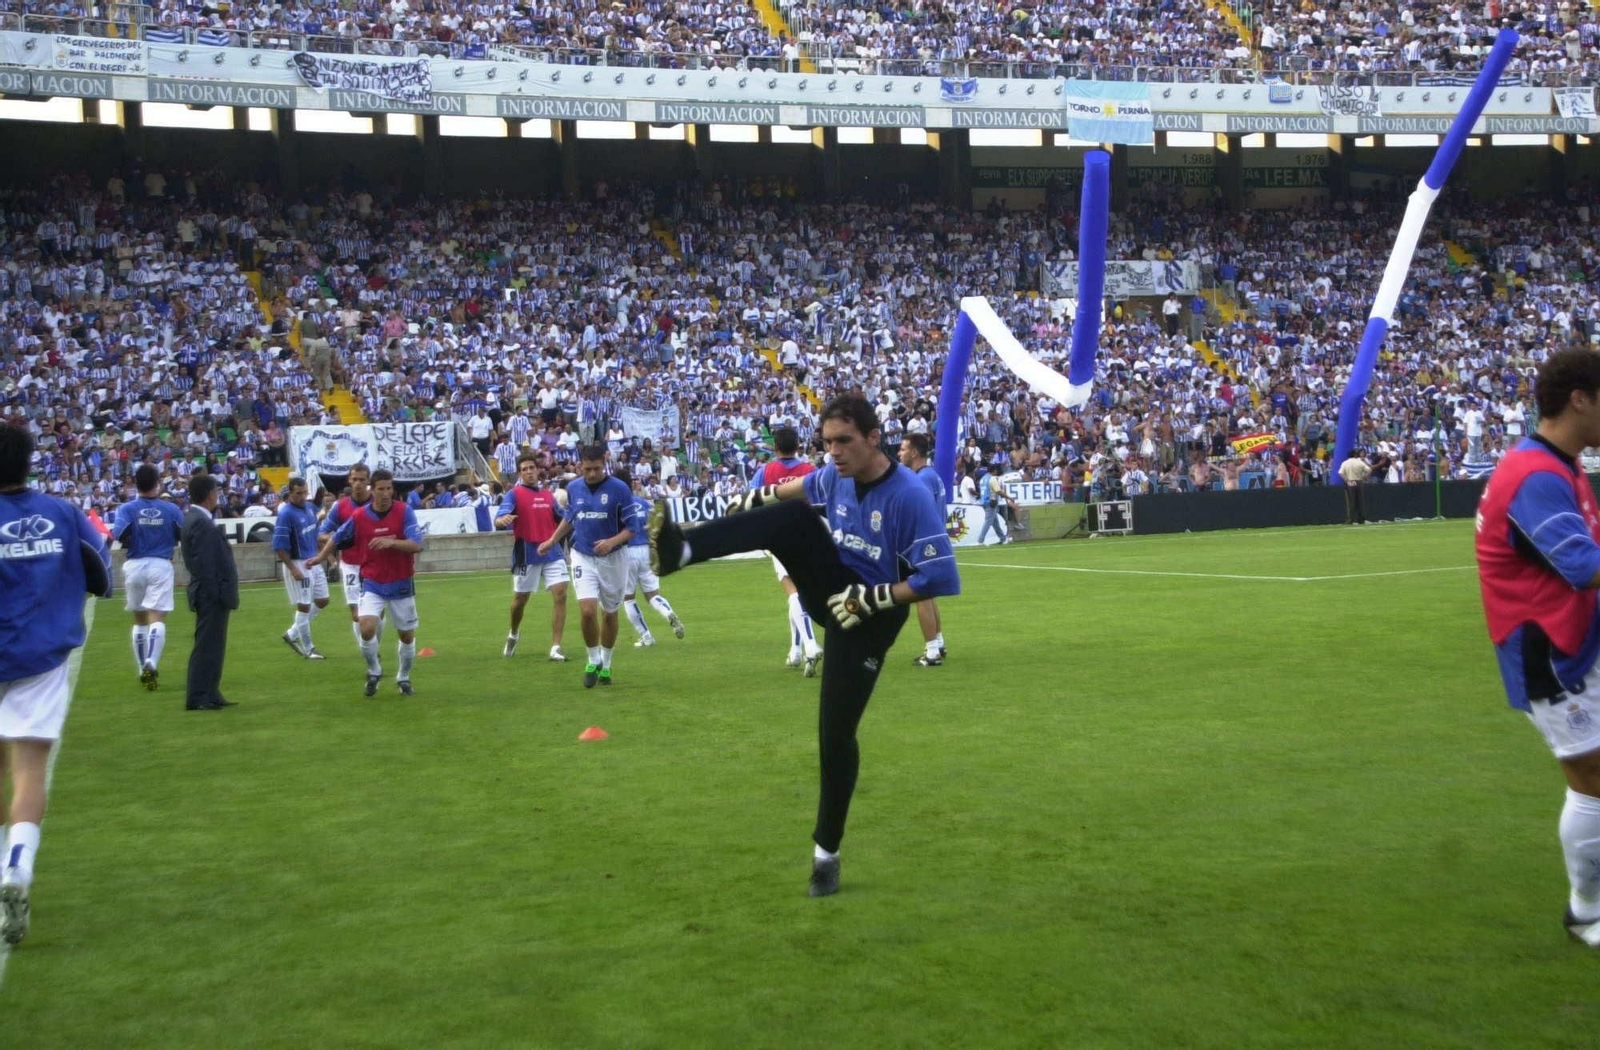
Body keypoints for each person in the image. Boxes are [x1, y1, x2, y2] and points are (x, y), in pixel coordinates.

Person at [647, 394, 960, 896]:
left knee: (835, 736)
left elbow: (941, 577)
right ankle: (682, 548)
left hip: (872, 617)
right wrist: (754, 500)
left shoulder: (910, 495)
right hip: (832, 589)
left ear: (873, 438)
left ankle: (826, 855)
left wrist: (874, 599)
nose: (833, 451)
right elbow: (796, 488)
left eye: (843, 441)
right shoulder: (835, 475)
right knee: (792, 517)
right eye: (827, 442)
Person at [1475, 347, 1600, 950]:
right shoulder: (1535, 477)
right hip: (1550, 652)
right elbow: (1584, 567)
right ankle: (1587, 912)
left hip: (1579, 639)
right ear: (1580, 399)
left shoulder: (1559, 464)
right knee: (1591, 777)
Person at [0, 422, 112, 946]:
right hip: (41, 656)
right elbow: (101, 571)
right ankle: (17, 868)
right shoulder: (63, 512)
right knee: (28, 772)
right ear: (29, 462)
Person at [537, 445, 640, 688]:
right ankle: (593, 660)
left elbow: (632, 528)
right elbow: (570, 517)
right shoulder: (573, 488)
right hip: (582, 554)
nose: (592, 473)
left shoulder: (620, 489)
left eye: (596, 469)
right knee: (587, 611)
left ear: (604, 464)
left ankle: (607, 663)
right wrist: (552, 540)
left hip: (614, 558)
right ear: (580, 466)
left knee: (610, 613)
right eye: (587, 469)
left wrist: (611, 542)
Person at [320, 469, 425, 697]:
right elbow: (336, 537)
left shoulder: (404, 511)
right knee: (365, 627)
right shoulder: (360, 516)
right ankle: (374, 670)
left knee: (406, 636)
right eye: (381, 489)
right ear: (373, 490)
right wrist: (320, 558)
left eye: (389, 489)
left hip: (401, 582)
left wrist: (391, 543)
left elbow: (417, 544)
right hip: (372, 582)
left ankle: (403, 677)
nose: (385, 493)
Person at [753, 426, 822, 675]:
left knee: (793, 591)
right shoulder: (811, 470)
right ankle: (795, 651)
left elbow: (753, 502)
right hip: (809, 534)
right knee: (799, 592)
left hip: (781, 535)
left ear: (775, 447)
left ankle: (810, 645)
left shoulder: (765, 471)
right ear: (798, 446)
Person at [110, 463, 184, 690]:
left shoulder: (127, 509)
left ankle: (143, 667)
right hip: (160, 564)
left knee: (140, 620)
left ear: (135, 483)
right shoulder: (171, 509)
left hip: (135, 564)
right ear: (157, 483)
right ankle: (151, 661)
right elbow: (183, 534)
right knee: (157, 617)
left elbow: (118, 534)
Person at [493, 452, 571, 662]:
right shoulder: (514, 494)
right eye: (524, 469)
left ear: (538, 470)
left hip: (552, 551)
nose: (529, 472)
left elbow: (564, 519)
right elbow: (499, 518)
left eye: (531, 468)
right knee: (520, 600)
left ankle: (556, 647)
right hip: (527, 553)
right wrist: (502, 521)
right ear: (520, 474)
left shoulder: (548, 495)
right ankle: (514, 633)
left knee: (561, 594)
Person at [180, 473, 239, 712]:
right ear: (209, 495)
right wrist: (217, 592)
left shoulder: (198, 519)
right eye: (216, 491)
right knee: (206, 645)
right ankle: (198, 695)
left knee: (214, 645)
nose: (218, 496)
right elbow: (204, 564)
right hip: (210, 594)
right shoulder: (200, 522)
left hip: (210, 592)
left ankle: (211, 691)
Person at [611, 468, 685, 648]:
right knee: (653, 595)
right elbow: (656, 526)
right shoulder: (643, 503)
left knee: (628, 598)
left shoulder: (616, 506)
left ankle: (646, 636)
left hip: (627, 551)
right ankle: (668, 613)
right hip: (647, 550)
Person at [898, 433, 949, 667]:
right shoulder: (932, 475)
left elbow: (921, 512)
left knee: (920, 594)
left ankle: (932, 651)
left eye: (903, 449)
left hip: (925, 543)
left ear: (914, 452)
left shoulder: (922, 479)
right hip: (936, 541)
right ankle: (938, 643)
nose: (900, 453)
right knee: (928, 594)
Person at [318, 464, 380, 652]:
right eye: (355, 479)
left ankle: (373, 648)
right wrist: (339, 539)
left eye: (362, 479)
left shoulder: (378, 502)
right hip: (350, 564)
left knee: (377, 613)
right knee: (356, 614)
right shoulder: (341, 506)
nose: (358, 483)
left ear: (368, 481)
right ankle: (368, 652)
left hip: (375, 563)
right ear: (349, 480)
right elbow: (322, 533)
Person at [272, 476, 329, 660]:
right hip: (298, 563)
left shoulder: (309, 508)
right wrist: (292, 569)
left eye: (305, 492)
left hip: (313, 560)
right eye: (298, 493)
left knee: (323, 600)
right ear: (290, 494)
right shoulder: (286, 514)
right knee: (304, 605)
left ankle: (292, 633)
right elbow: (279, 546)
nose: (303, 496)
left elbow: (314, 531)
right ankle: (309, 648)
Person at [1338, 449, 1372, 524]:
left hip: (1350, 481)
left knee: (1351, 501)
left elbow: (1340, 473)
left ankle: (1350, 519)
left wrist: (1346, 480)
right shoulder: (1359, 462)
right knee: (1360, 501)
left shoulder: (1345, 463)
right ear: (1355, 455)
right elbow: (1369, 470)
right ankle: (1361, 519)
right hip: (1359, 481)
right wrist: (1364, 477)